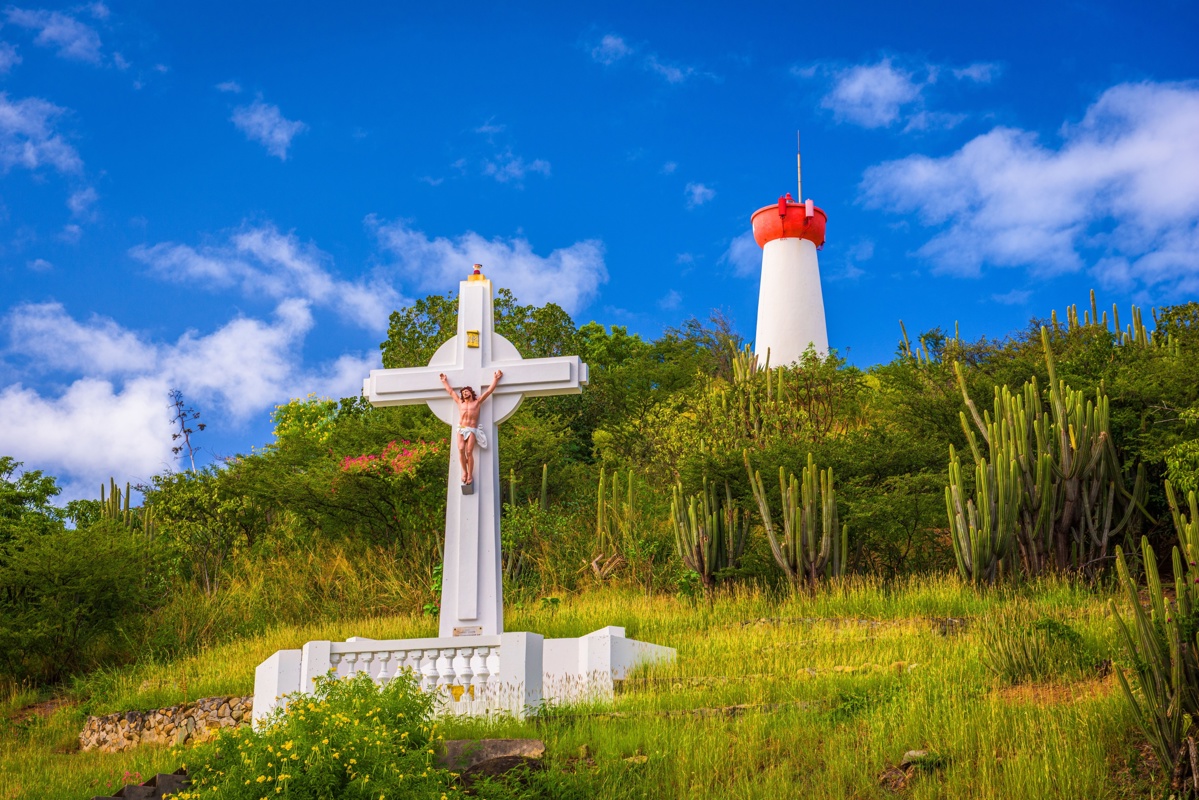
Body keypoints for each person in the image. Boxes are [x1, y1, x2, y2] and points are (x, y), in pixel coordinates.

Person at [439, 370, 502, 486]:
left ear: (471, 393)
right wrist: (444, 381)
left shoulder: (477, 402)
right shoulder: (460, 402)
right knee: (461, 449)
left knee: (469, 451)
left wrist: (495, 380)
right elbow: (451, 392)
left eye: (466, 392)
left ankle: (469, 474)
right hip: (461, 428)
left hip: (472, 429)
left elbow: (488, 391)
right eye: (463, 393)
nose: (464, 394)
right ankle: (464, 471)